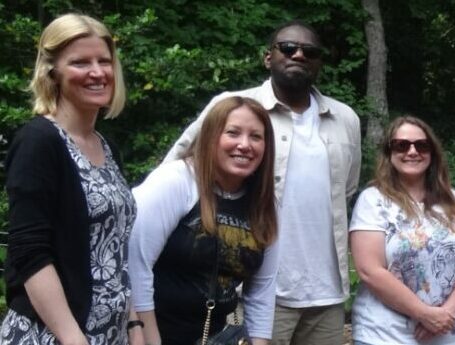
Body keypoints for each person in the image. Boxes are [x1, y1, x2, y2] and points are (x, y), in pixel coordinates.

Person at [161, 20, 361, 344]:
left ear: (319, 62)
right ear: (268, 57)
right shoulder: (234, 107)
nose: (298, 55)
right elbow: (178, 167)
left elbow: (345, 190)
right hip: (254, 289)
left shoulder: (345, 120)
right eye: (287, 48)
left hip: (327, 294)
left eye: (309, 51)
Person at [1, 13, 139, 345]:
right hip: (54, 336)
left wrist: (134, 328)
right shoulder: (39, 142)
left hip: (110, 335)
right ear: (53, 73)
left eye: (104, 61)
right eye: (80, 62)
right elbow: (29, 253)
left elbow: (115, 252)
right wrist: (73, 339)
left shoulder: (106, 147)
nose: (97, 72)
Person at [129, 97, 281, 345]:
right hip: (152, 331)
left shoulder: (265, 204)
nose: (244, 145)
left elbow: (262, 291)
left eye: (256, 136)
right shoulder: (176, 181)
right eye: (233, 133)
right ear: (211, 137)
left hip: (216, 336)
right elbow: (135, 265)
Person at [349, 116, 455, 344]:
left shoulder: (453, 199)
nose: (412, 151)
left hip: (447, 336)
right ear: (389, 152)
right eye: (402, 145)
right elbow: (369, 270)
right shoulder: (373, 200)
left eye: (421, 145)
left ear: (433, 153)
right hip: (386, 336)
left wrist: (447, 314)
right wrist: (424, 314)